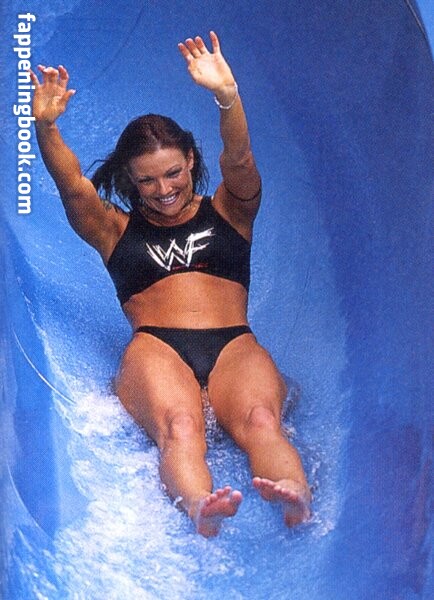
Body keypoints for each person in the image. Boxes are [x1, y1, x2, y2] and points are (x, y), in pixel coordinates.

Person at [30, 31, 311, 537]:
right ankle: (201, 505)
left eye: (173, 173)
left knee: (261, 421)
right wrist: (46, 127)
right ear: (130, 181)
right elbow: (73, 189)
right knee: (180, 428)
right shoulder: (113, 230)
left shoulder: (230, 210)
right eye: (147, 181)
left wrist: (227, 96)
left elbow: (241, 160)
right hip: (157, 349)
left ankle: (294, 496)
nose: (164, 190)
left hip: (233, 344)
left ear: (191, 161)